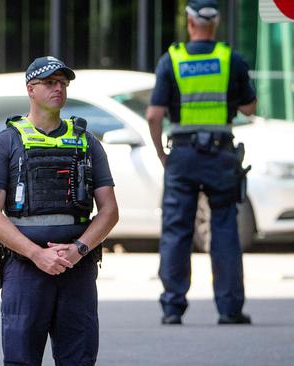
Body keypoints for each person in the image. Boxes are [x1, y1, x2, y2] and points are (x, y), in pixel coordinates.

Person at [0, 56, 119, 365]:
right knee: (21, 359)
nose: (59, 89)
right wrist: (36, 254)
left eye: (63, 83)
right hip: (25, 268)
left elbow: (109, 211)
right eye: (50, 83)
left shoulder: (86, 143)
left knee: (79, 359)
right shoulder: (6, 143)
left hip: (76, 268)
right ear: (31, 89)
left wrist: (79, 250)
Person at [146, 0, 257, 325]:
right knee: (224, 229)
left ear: (189, 21)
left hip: (182, 154)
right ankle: (229, 309)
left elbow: (154, 115)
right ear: (216, 23)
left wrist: (161, 153)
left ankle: (172, 308)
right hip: (221, 154)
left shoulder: (173, 59)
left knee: (177, 229)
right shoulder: (230, 59)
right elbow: (250, 108)